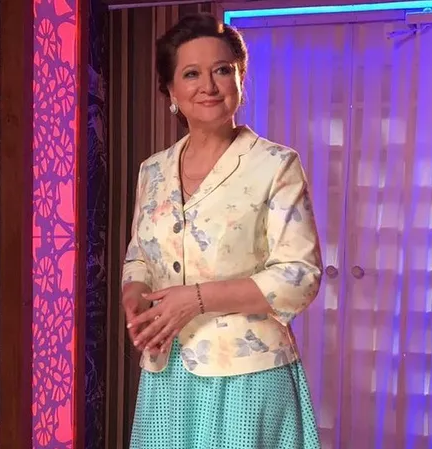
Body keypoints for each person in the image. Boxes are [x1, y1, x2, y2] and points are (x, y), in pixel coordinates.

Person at [121, 13, 323, 449]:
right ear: (170, 91)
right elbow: (139, 254)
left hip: (248, 373)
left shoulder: (275, 165)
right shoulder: (152, 171)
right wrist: (134, 292)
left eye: (222, 70)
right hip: (166, 371)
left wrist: (196, 300)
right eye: (191, 74)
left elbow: (299, 276)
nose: (209, 86)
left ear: (240, 78)